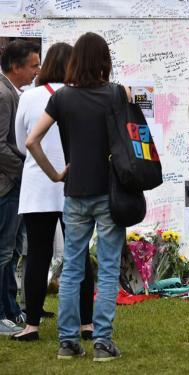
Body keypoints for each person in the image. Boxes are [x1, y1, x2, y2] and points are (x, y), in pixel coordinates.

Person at [26, 32, 127, 361]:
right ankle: (102, 341)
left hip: (74, 192)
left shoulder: (63, 97)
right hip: (110, 192)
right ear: (103, 59)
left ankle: (68, 342)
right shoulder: (115, 94)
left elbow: (31, 141)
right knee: (109, 268)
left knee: (71, 268)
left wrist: (56, 174)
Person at [12, 43, 94, 342]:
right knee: (80, 253)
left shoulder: (30, 97)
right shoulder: (82, 95)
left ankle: (31, 324)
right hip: (75, 183)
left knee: (37, 254)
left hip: (38, 185)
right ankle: (87, 323)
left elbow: (22, 144)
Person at [0, 39, 40, 336]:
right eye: (33, 65)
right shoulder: (3, 95)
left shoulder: (15, 93)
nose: (37, 71)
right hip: (7, 185)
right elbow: (1, 145)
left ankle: (11, 308)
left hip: (13, 184)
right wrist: (24, 172)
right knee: (4, 251)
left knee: (12, 251)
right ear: (15, 67)